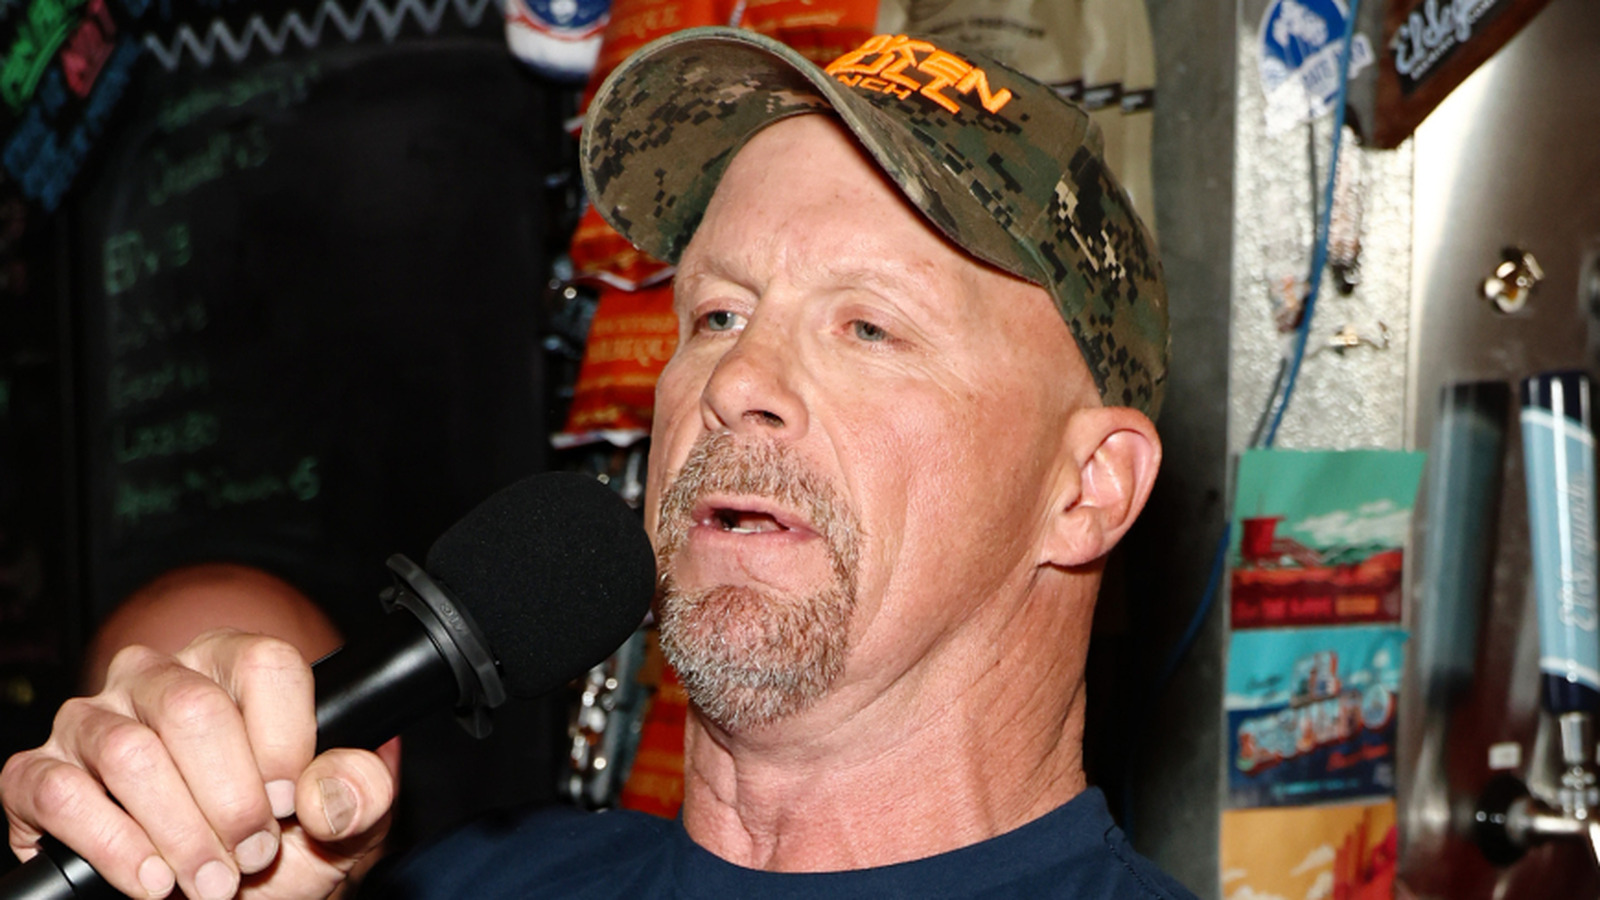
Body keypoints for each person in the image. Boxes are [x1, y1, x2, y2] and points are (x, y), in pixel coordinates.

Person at [1, 26, 1194, 899]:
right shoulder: (456, 885)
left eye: (868, 327)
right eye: (717, 314)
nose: (734, 379)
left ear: (1087, 490)